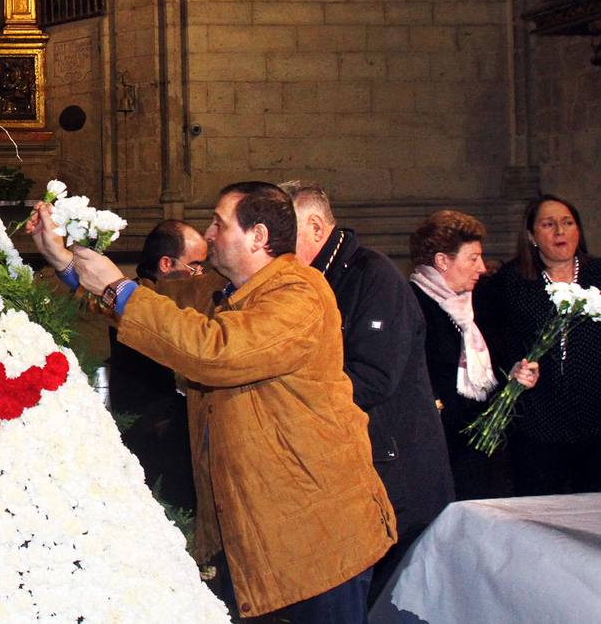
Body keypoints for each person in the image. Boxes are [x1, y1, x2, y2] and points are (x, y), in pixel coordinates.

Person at [30, 182, 395, 623]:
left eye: (219, 223)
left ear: (258, 236)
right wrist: (64, 260)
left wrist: (116, 288)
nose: (210, 232)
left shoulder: (300, 294)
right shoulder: (224, 290)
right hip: (267, 533)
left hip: (317, 539)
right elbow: (147, 302)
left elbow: (216, 352)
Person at [282, 181, 452, 602]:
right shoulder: (309, 282)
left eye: (283, 233)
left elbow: (374, 377)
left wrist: (285, 399)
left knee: (392, 601)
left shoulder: (372, 276)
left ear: (316, 228)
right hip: (358, 469)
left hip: (394, 471)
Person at [474, 196, 600, 495]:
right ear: (531, 236)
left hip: (595, 418)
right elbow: (489, 342)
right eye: (548, 224)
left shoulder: (597, 275)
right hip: (538, 422)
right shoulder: (511, 282)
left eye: (568, 223)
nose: (560, 231)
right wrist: (511, 369)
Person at [408, 210, 538, 500]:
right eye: (473, 258)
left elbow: (481, 385)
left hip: (472, 453)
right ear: (443, 261)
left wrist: (513, 379)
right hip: (434, 454)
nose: (482, 267)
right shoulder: (411, 304)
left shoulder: (473, 305)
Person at [107, 220, 209, 513]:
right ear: (166, 264)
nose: (201, 276)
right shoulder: (142, 304)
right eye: (196, 266)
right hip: (155, 436)